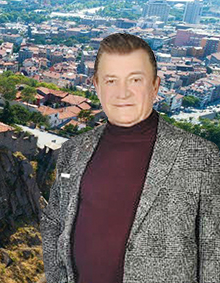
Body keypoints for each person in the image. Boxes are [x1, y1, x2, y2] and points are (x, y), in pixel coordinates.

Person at [40, 32, 220, 283]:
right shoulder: (73, 150)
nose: (122, 93)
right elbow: (53, 223)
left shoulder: (201, 157)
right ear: (96, 86)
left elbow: (214, 255)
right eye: (111, 81)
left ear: (155, 86)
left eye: (135, 80)